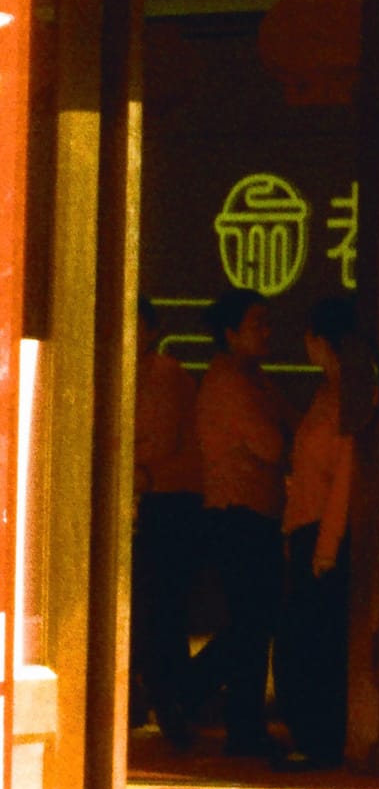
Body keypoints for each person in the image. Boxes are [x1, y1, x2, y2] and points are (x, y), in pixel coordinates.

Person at [272, 294, 377, 771]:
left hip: (322, 534)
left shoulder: (347, 396)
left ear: (320, 339)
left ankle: (319, 740)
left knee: (312, 642)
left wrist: (326, 547)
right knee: (302, 639)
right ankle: (309, 737)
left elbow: (345, 480)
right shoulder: (327, 392)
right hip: (305, 527)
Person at [195, 288, 288, 758]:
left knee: (254, 622)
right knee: (251, 623)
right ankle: (207, 700)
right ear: (231, 334)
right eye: (257, 324)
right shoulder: (230, 385)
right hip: (238, 516)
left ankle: (227, 713)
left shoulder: (258, 380)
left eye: (268, 322)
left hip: (257, 514)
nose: (268, 332)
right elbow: (274, 445)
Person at [130, 297, 205, 750]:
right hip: (156, 499)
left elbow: (156, 442)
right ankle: (161, 702)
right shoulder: (144, 372)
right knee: (157, 609)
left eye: (136, 324)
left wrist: (128, 462)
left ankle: (170, 703)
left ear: (153, 330)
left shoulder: (162, 374)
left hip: (168, 502)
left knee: (159, 609)